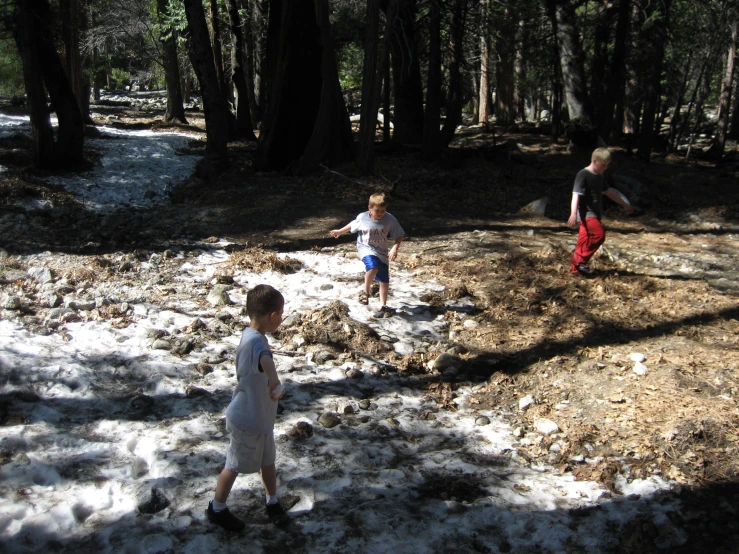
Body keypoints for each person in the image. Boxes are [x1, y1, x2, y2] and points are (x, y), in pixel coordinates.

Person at [206, 284, 287, 531]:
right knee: (233, 465)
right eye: (281, 314)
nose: (281, 319)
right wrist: (274, 380)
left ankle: (272, 501)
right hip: (247, 420)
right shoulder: (257, 344)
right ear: (272, 316)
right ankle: (216, 508)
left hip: (260, 418)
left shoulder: (251, 334)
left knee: (268, 461)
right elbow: (265, 359)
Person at [330, 192, 405, 318]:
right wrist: (339, 231)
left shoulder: (390, 219)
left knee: (384, 280)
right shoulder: (363, 217)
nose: (380, 213)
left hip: (381, 250)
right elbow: (353, 224)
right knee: (373, 266)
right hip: (365, 247)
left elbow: (400, 234)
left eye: (383, 210)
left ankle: (383, 305)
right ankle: (365, 292)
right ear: (369, 208)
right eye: (377, 210)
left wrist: (394, 248)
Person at [567, 148, 634, 275]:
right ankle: (580, 261)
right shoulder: (583, 174)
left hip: (596, 214)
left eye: (607, 165)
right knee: (599, 235)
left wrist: (625, 204)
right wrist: (573, 213)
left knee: (584, 240)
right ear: (595, 161)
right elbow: (576, 194)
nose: (605, 168)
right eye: (603, 165)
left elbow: (609, 193)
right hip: (586, 213)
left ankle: (576, 270)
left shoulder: (600, 177)